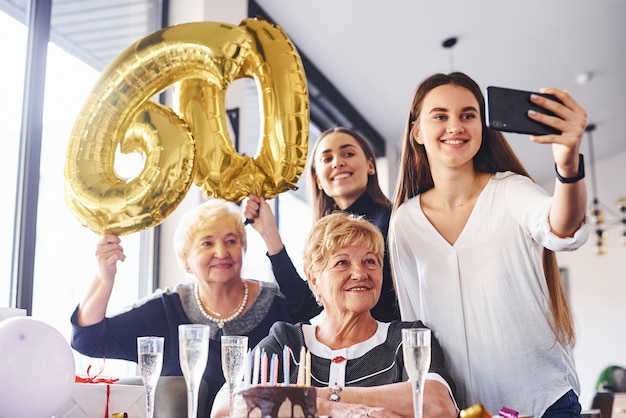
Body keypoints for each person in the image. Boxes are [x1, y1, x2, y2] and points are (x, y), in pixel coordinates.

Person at [388, 72, 589, 417]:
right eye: (440, 116)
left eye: (468, 115)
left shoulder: (510, 191)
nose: (456, 126)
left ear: (482, 126)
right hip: (462, 411)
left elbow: (562, 228)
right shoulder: (405, 222)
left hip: (543, 405)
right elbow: (413, 327)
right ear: (417, 131)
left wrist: (568, 162)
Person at [212, 212, 458, 418]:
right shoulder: (287, 341)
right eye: (342, 263)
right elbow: (225, 408)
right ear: (314, 279)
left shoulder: (405, 338)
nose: (360, 273)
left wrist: (315, 400)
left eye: (370, 261)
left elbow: (437, 405)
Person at [70, 198, 295, 414]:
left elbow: (313, 309)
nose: (221, 252)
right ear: (186, 260)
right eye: (207, 243)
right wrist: (105, 277)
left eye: (231, 241)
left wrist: (269, 233)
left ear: (243, 249)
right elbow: (88, 339)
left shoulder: (277, 305)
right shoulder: (165, 309)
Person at [244, 127, 400, 322]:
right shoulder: (323, 235)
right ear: (317, 179)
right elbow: (307, 307)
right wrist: (269, 233)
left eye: (348, 153)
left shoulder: (395, 222)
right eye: (327, 159)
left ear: (371, 166)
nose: (338, 163)